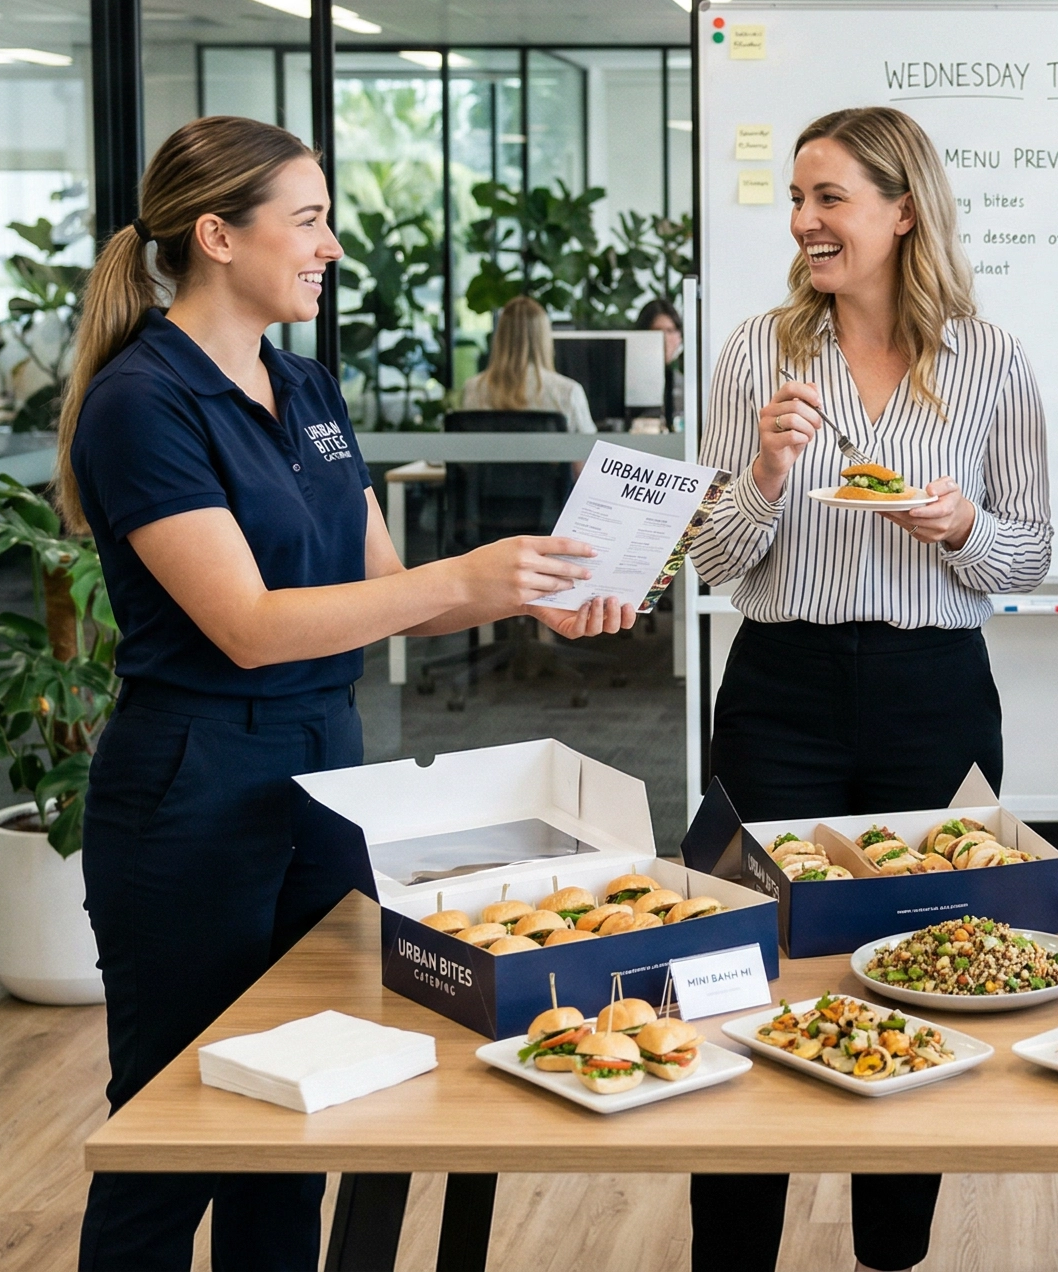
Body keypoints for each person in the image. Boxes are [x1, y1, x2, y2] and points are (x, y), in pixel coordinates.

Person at [62, 117, 632, 1272]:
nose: (330, 244)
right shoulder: (143, 401)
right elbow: (249, 625)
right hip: (191, 780)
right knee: (171, 1124)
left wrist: (521, 594)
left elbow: (388, 594)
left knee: (299, 1100)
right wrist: (459, 573)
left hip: (325, 771)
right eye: (308, 219)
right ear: (215, 235)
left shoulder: (305, 386)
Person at [686, 105, 1051, 1272]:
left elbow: (1030, 550)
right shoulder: (754, 350)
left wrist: (959, 527)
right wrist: (762, 472)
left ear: (903, 211)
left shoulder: (990, 360)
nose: (803, 223)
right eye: (796, 200)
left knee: (922, 968)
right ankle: (730, 1251)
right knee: (739, 968)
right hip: (778, 684)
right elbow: (711, 554)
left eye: (828, 198)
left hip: (929, 685)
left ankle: (891, 1253)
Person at [459, 294, 594, 429]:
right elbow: (590, 446)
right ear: (544, 339)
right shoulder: (567, 392)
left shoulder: (473, 389)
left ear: (500, 337)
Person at [636, 293, 685, 429]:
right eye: (657, 331)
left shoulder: (685, 387)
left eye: (670, 331)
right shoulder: (629, 382)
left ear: (679, 337)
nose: (664, 339)